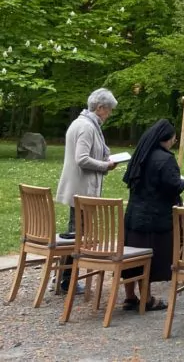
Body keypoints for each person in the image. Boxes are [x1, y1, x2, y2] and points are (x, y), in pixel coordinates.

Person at [56, 88, 119, 293]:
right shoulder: (86, 126)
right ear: (100, 107)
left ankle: (65, 278)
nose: (109, 115)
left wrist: (106, 158)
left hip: (80, 189)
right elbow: (81, 159)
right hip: (81, 189)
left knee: (77, 233)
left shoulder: (87, 124)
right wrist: (105, 166)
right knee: (78, 235)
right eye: (108, 110)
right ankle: (67, 280)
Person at [120, 119, 184, 312]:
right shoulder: (165, 159)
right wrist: (183, 183)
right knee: (148, 258)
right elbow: (172, 185)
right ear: (167, 138)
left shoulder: (141, 154)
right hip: (155, 219)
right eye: (174, 138)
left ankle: (130, 296)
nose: (174, 141)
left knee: (131, 257)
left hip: (133, 217)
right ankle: (146, 299)